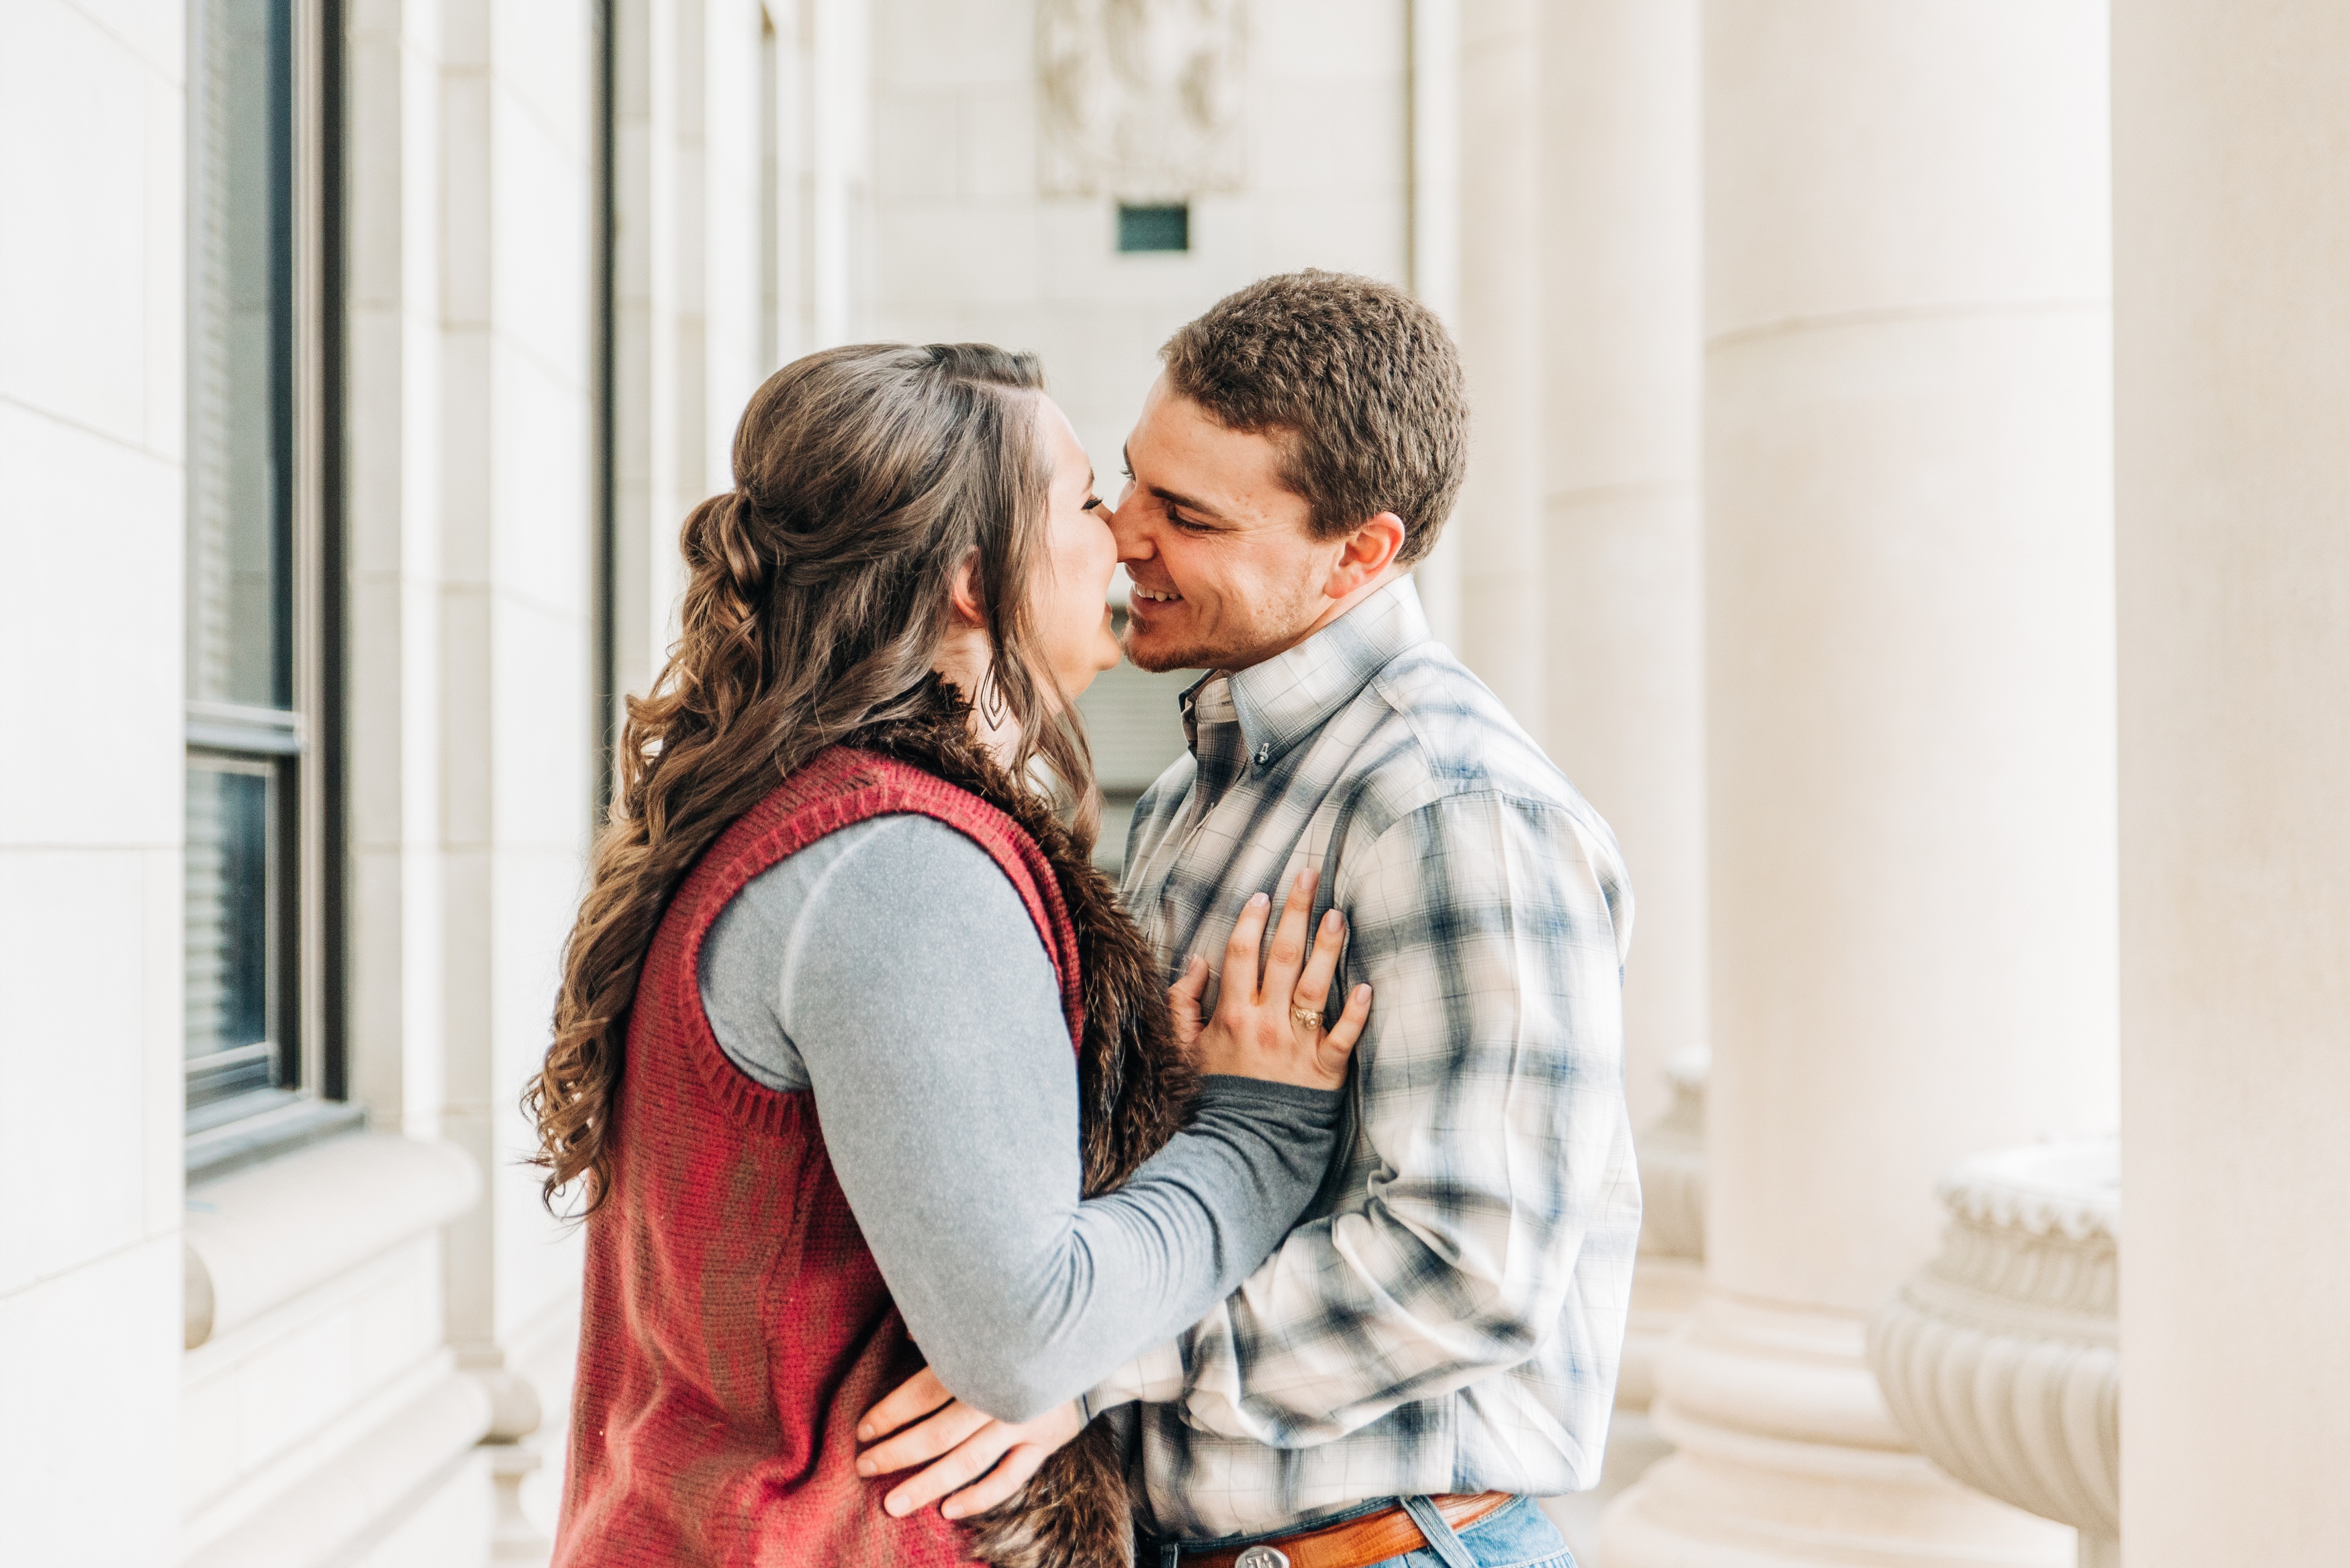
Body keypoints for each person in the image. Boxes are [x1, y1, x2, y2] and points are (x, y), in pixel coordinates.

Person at [528, 341, 1374, 1568]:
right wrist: (1259, 1134)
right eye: (1086, 499)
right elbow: (1024, 1337)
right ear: (975, 579)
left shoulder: (824, 821)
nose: (1127, 537)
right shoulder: (899, 865)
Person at [861, 273, 1640, 1568]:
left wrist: (1091, 1360)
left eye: (1191, 517)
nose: (1121, 539)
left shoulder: (1451, 812)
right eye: (1129, 486)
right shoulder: (1186, 795)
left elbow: (1471, 1263)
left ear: (1361, 554)